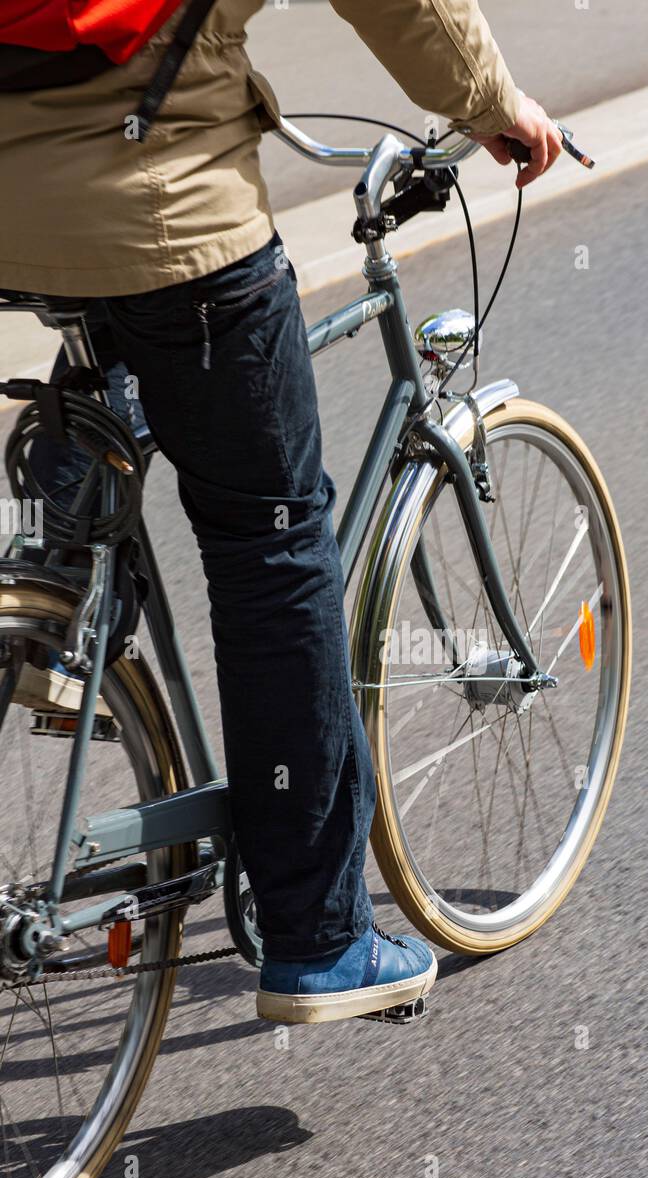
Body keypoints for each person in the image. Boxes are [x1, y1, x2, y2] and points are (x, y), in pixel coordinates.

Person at [0, 0, 562, 1025]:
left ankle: (62, 610)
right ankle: (321, 935)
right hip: (166, 215)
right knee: (275, 550)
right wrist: (492, 104)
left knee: (113, 348)